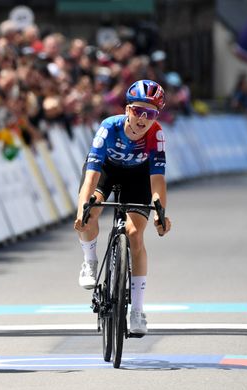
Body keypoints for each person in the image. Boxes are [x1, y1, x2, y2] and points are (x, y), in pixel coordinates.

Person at [74, 79, 172, 336]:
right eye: (138, 111)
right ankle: (89, 260)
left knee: (134, 234)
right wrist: (82, 209)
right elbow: (91, 176)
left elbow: (157, 181)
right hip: (106, 170)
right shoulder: (109, 127)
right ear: (127, 110)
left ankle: (137, 311)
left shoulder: (156, 134)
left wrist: (160, 213)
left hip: (138, 176)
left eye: (150, 114)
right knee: (90, 213)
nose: (143, 118)